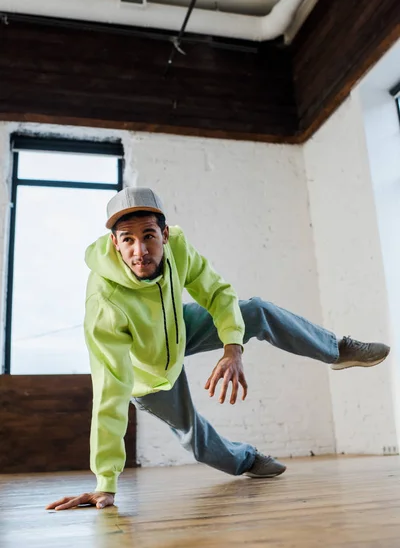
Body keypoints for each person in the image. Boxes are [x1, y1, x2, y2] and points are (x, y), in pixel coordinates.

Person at [46, 187, 390, 511]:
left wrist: (232, 347)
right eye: (128, 240)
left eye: (149, 235)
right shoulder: (105, 302)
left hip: (178, 327)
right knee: (193, 436)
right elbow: (110, 392)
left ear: (164, 235)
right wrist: (105, 482)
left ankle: (337, 349)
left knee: (255, 310)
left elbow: (217, 294)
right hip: (145, 373)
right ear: (115, 244)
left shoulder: (178, 248)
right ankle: (247, 459)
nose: (140, 250)